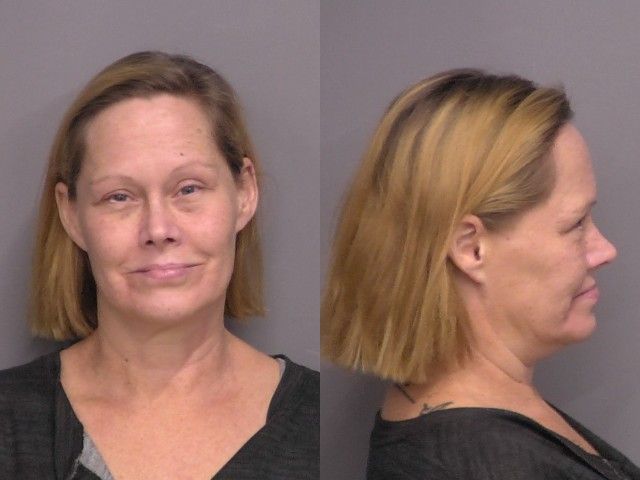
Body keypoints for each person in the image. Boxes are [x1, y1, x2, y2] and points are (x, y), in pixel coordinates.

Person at [0, 51, 318, 479]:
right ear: (71, 214)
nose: (158, 229)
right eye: (119, 196)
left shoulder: (315, 425)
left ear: (244, 193)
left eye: (188, 188)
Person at [322, 69, 639, 479]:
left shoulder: (481, 428)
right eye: (576, 224)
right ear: (471, 248)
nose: (605, 251)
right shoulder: (484, 462)